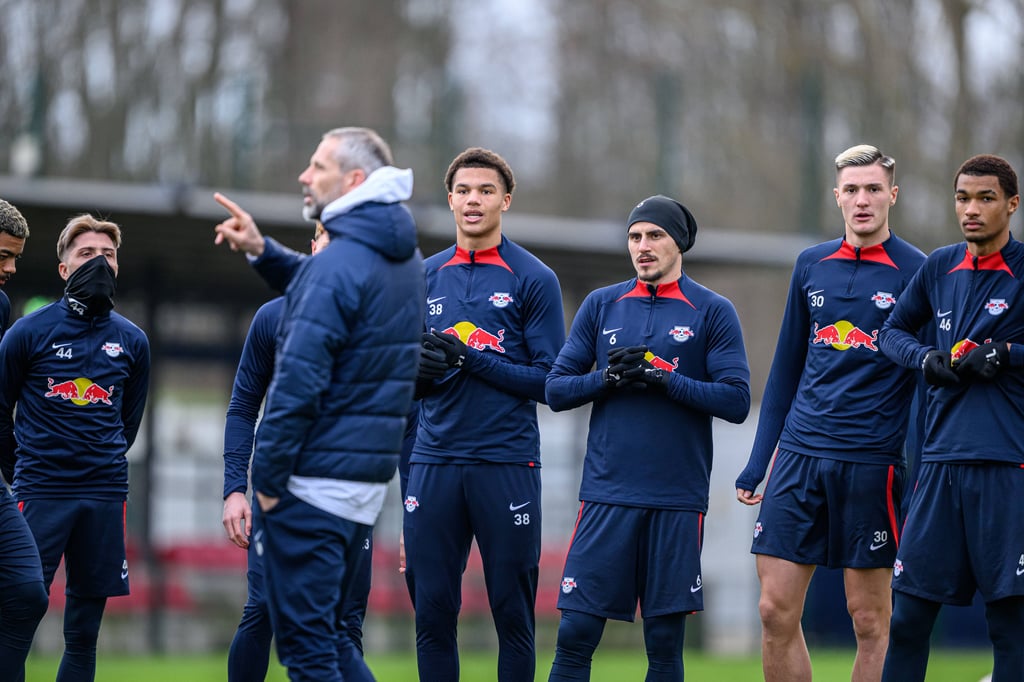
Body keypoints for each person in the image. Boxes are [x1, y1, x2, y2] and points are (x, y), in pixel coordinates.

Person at [213, 126, 424, 682]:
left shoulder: (341, 265)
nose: (305, 176)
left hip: (309, 487)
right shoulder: (400, 259)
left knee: (309, 656)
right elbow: (328, 283)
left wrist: (266, 486)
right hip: (357, 488)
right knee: (332, 641)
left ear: (353, 180)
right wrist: (263, 251)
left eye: (317, 166)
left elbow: (294, 391)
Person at [734, 144, 926, 682]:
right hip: (797, 459)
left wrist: (922, 470)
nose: (862, 200)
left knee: (869, 621)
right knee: (774, 611)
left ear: (892, 194)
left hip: (872, 463)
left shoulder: (920, 271)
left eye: (872, 189)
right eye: (851, 189)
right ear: (836, 195)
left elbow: (928, 382)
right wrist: (758, 460)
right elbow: (785, 371)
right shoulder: (810, 264)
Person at [545, 195, 751, 681]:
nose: (643, 246)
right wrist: (607, 380)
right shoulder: (601, 305)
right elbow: (555, 389)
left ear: (678, 242)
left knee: (663, 643)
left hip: (676, 501)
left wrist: (666, 378)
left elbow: (736, 401)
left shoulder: (712, 311)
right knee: (575, 633)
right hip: (606, 496)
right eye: (635, 236)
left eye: (654, 235)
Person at [404, 147, 565, 682]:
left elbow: (549, 382)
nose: (474, 200)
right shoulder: (421, 277)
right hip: (435, 465)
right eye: (464, 191)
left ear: (506, 200)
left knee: (513, 618)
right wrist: (419, 375)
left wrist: (467, 357)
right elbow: (399, 388)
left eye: (486, 191)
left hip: (506, 465)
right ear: (449, 200)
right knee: (431, 617)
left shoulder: (533, 278)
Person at [878, 154, 1024, 682]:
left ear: (1011, 204)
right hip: (937, 467)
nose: (972, 209)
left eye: (986, 198)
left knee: (1010, 626)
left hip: (1007, 468)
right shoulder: (938, 267)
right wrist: (924, 358)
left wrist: (1006, 353)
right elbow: (888, 332)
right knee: (909, 620)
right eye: (963, 198)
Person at [220, 222, 374, 681]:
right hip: (279, 492)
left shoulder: (377, 323)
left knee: (344, 623)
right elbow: (243, 406)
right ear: (313, 245)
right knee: (264, 608)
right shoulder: (273, 316)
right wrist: (234, 489)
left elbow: (404, 420)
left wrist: (412, 507)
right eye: (328, 234)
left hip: (351, 491)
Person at [0, 214, 151, 681]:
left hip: (105, 495)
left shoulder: (133, 341)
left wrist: (97, 460)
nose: (99, 263)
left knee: (84, 635)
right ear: (64, 268)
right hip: (41, 490)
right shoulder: (26, 332)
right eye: (87, 254)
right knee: (17, 615)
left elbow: (128, 425)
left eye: (108, 255)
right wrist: (23, 467)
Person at [0, 199, 47, 682]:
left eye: (15, 257)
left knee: (28, 592)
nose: (11, 268)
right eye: (1, 256)